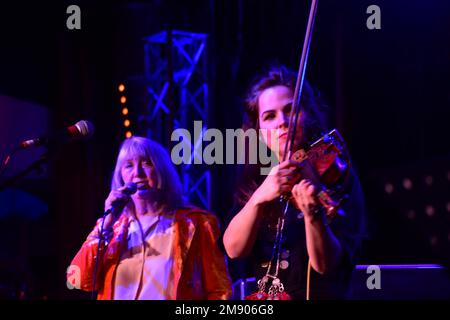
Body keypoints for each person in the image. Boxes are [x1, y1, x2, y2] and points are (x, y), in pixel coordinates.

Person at [223, 66, 366, 300]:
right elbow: (233, 249)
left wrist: (313, 216)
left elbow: (325, 265)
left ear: (307, 114)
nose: (283, 122)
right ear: (259, 131)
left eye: (291, 110)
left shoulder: (335, 173)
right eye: (270, 116)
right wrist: (260, 196)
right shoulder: (258, 180)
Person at [67, 136, 232, 300]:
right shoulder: (111, 228)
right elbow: (77, 280)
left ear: (162, 171)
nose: (137, 173)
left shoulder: (197, 223)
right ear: (121, 176)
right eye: (129, 166)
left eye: (146, 163)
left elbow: (219, 290)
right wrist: (104, 227)